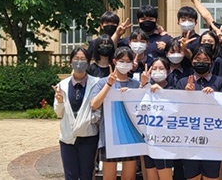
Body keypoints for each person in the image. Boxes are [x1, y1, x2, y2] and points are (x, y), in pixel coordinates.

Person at [90, 46, 146, 180]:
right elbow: (94, 104)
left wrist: (143, 87)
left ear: (133, 64)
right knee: (109, 176)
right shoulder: (103, 82)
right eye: (122, 60)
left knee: (129, 176)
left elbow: (143, 108)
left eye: (128, 61)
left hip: (130, 136)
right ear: (114, 61)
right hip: (109, 137)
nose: (124, 64)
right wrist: (109, 85)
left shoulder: (135, 84)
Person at [176, 46, 222, 180]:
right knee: (192, 176)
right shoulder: (183, 82)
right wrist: (187, 95)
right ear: (192, 61)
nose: (201, 62)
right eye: (197, 59)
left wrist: (215, 96)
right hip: (190, 139)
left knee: (211, 176)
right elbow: (176, 111)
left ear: (211, 62)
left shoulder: (220, 82)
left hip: (213, 139)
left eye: (205, 60)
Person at [54, 47, 100, 180]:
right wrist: (60, 101)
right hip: (68, 137)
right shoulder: (62, 85)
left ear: (88, 62)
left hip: (88, 136)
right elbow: (58, 113)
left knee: (86, 174)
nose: (79, 62)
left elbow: (99, 108)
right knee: (70, 175)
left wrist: (90, 119)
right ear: (70, 61)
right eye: (76, 59)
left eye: (83, 59)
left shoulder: (96, 83)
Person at [145, 57, 175, 180]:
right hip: (148, 140)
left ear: (168, 72)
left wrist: (161, 92)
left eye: (161, 68)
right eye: (155, 68)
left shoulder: (173, 90)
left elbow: (174, 110)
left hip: (164, 142)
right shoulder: (145, 89)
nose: (157, 71)